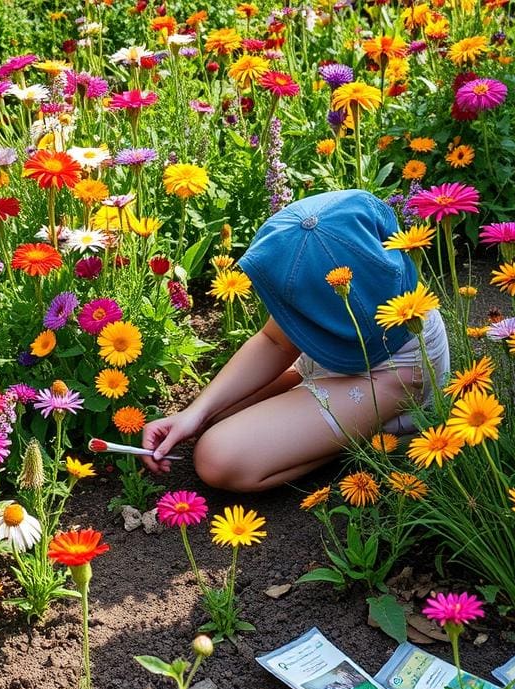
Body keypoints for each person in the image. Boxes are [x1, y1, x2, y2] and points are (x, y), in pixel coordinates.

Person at [141, 189, 450, 492]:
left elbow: (282, 343)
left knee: (217, 458)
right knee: (214, 417)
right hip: (342, 359)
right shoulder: (347, 273)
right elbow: (275, 341)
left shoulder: (392, 348)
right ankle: (330, 427)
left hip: (387, 372)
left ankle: (370, 436)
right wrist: (194, 413)